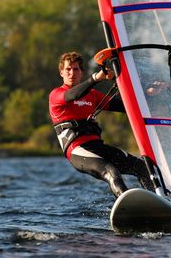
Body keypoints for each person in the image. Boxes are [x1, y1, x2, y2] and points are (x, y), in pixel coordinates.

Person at [49, 51, 154, 198]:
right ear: (61, 73)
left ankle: (159, 202)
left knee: (141, 167)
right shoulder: (57, 94)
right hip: (77, 150)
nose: (72, 73)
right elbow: (73, 95)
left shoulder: (92, 95)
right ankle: (129, 205)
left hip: (98, 146)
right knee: (111, 171)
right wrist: (96, 78)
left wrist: (147, 94)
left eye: (76, 69)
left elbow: (126, 106)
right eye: (68, 69)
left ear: (81, 72)